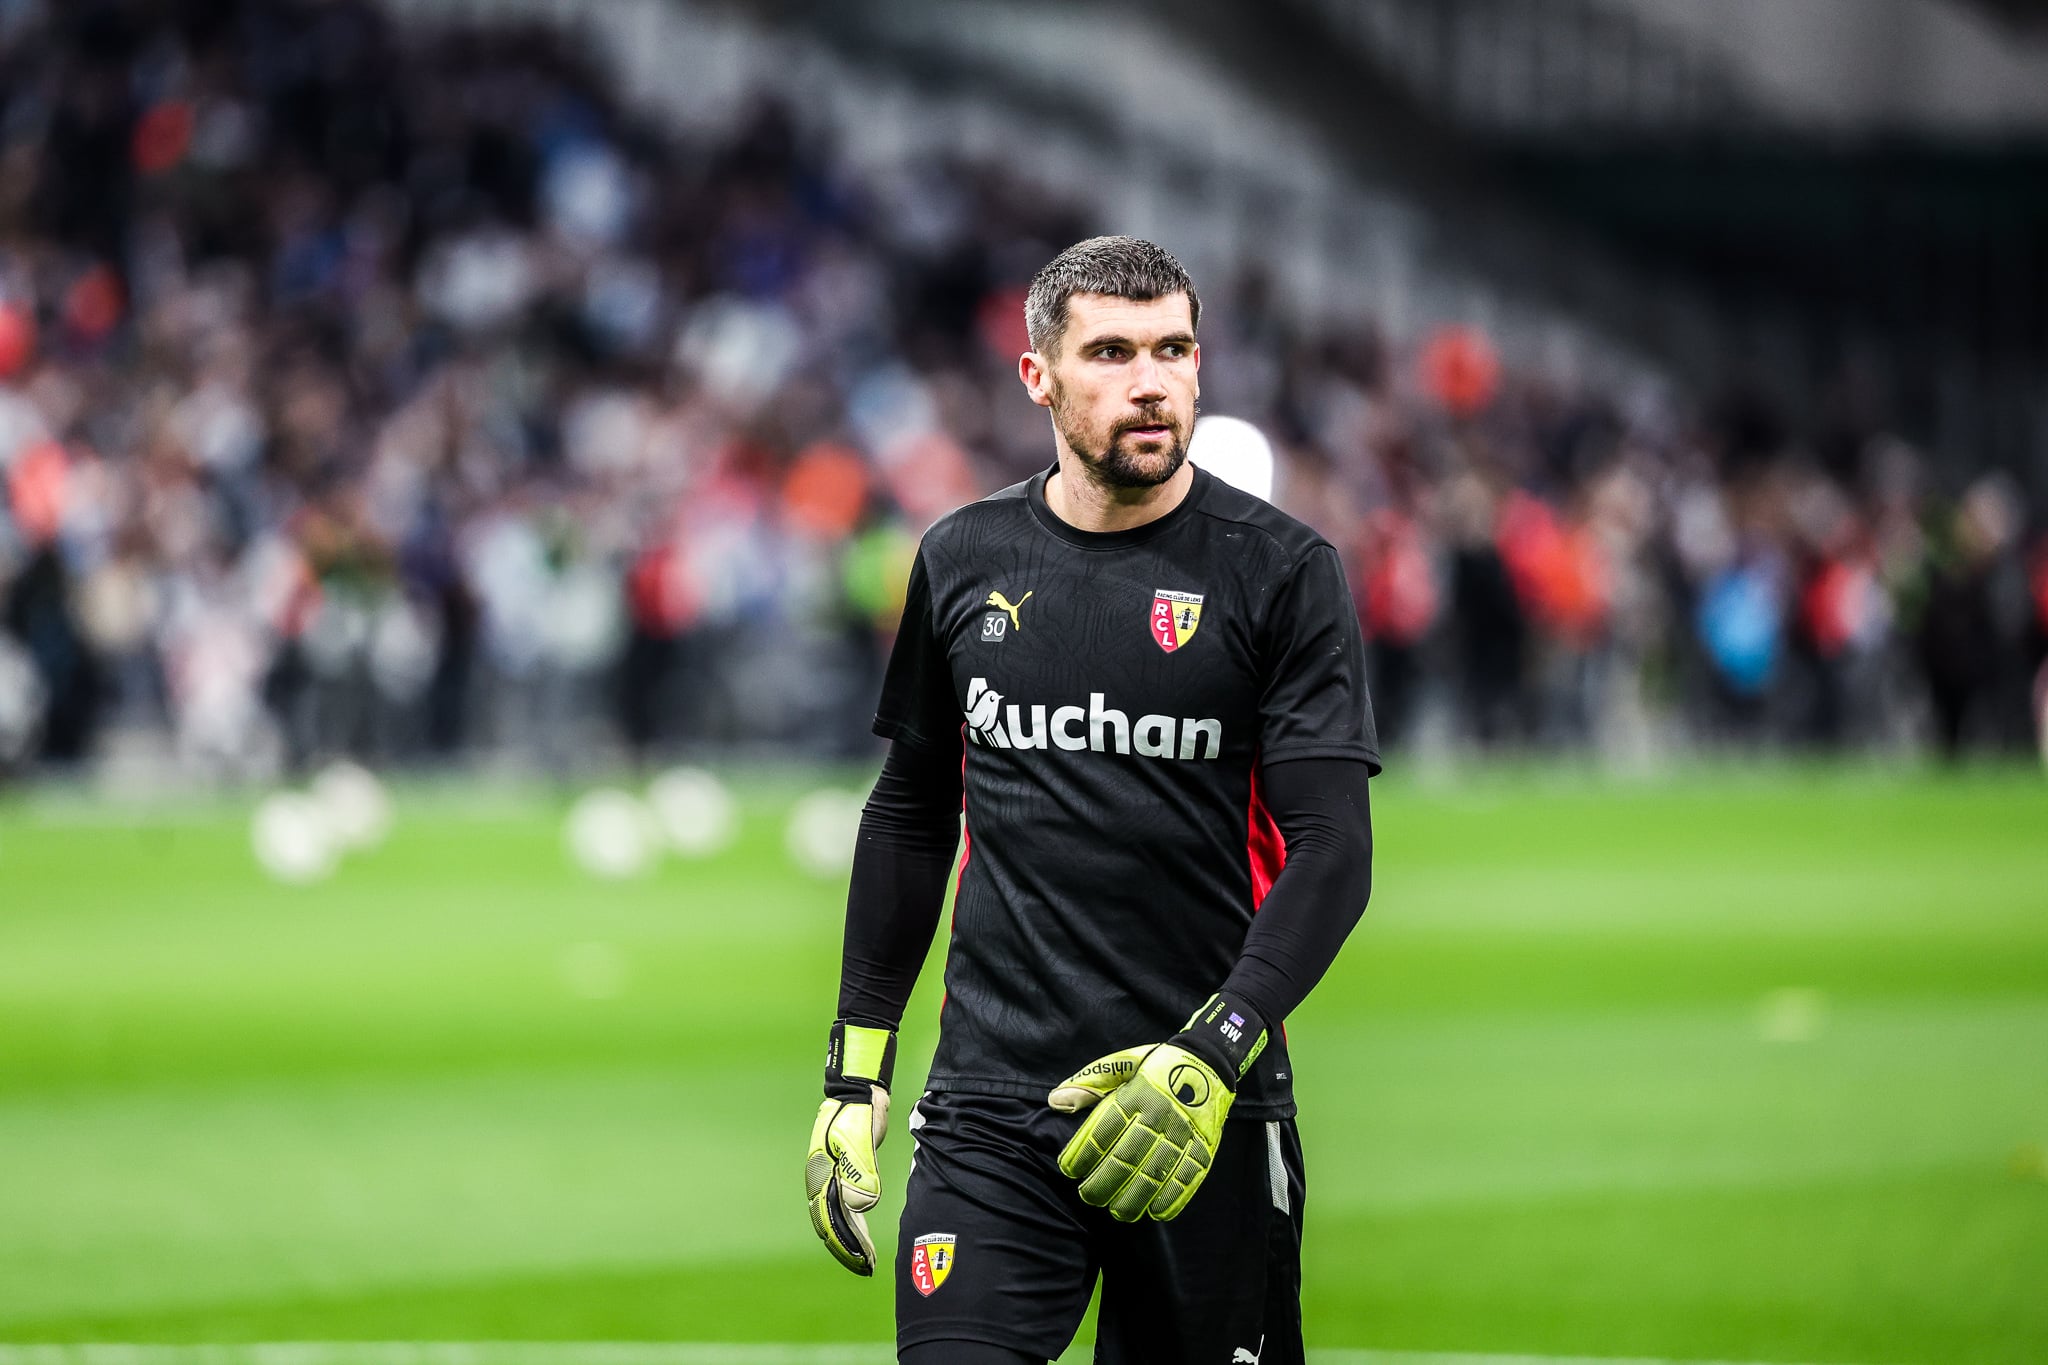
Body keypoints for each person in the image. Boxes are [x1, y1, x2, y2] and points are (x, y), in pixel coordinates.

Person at [804, 236, 1379, 1363]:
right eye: (1110, 353)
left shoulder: (1280, 572)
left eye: (1171, 350)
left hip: (1201, 1109)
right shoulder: (962, 559)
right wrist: (854, 1069)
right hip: (988, 1112)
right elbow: (910, 814)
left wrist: (1214, 1051)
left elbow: (1330, 851)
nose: (1148, 380)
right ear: (1038, 377)